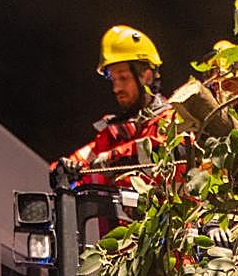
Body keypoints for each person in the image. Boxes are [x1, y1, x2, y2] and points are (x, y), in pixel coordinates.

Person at [55, 25, 189, 188]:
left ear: (146, 77)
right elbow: (81, 160)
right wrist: (63, 169)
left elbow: (169, 150)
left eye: (123, 78)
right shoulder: (115, 134)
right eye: (113, 80)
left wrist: (113, 158)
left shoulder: (174, 120)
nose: (116, 88)